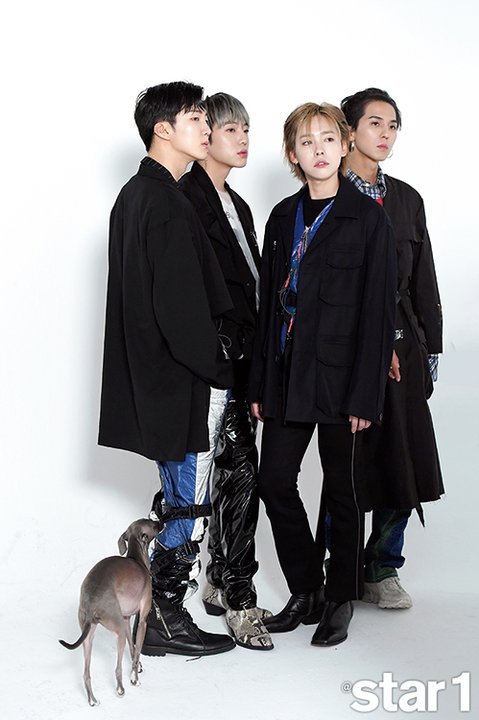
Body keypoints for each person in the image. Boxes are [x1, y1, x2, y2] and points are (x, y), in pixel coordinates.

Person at [248, 102, 397, 646]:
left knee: (343, 493)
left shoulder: (369, 219)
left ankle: (340, 599)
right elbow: (267, 309)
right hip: (288, 377)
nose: (319, 150)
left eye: (328, 139)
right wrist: (261, 384)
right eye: (306, 142)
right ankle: (308, 588)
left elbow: (378, 315)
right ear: (293, 154)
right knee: (273, 482)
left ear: (344, 146)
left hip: (342, 381)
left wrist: (365, 396)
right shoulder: (282, 217)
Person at [98, 81, 237, 657]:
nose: (207, 128)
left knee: (179, 497)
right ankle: (164, 618)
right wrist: (219, 367)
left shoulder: (138, 195)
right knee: (189, 505)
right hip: (185, 383)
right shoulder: (165, 202)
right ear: (163, 129)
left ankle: (153, 614)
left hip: (160, 382)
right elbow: (177, 308)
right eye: (196, 118)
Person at [318, 88, 443, 610]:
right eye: (375, 123)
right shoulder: (326, 194)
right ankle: (339, 571)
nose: (386, 134)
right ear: (349, 132)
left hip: (405, 348)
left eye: (393, 125)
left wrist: (429, 348)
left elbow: (423, 280)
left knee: (404, 462)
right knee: (348, 465)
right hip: (346, 351)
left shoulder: (407, 199)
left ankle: (382, 566)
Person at [179, 93, 272, 650]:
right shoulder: (185, 197)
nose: (243, 140)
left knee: (237, 474)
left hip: (244, 361)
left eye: (246, 130)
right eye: (232, 129)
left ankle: (221, 582)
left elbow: (252, 285)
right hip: (209, 362)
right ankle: (236, 598)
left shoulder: (237, 203)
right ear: (205, 135)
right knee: (226, 475)